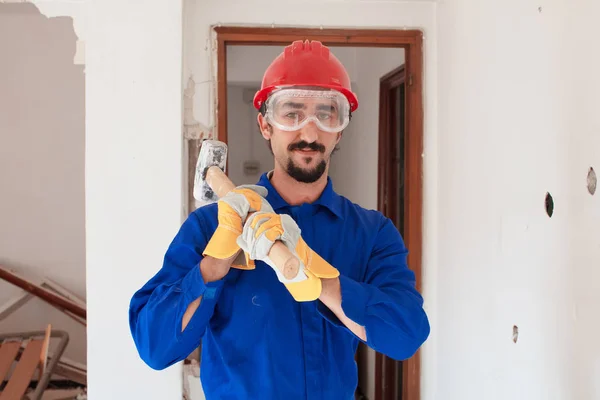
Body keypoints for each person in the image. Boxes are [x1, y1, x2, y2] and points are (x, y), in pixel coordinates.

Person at [129, 39, 430, 400]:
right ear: (265, 125)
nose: (309, 131)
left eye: (327, 113)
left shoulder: (370, 233)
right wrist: (216, 261)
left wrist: (318, 278)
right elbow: (156, 347)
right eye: (292, 113)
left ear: (340, 129)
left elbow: (405, 335)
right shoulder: (211, 227)